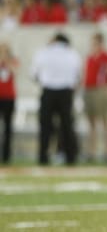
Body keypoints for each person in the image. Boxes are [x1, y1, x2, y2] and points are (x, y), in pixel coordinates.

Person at [31, 32, 83, 165]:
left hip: (48, 91)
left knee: (45, 126)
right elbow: (78, 75)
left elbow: (34, 74)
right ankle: (70, 157)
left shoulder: (43, 52)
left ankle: (43, 156)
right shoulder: (72, 54)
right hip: (66, 92)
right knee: (67, 125)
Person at [82, 32, 107, 163]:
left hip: (101, 89)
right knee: (92, 123)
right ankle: (92, 151)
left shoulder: (105, 56)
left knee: (105, 121)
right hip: (89, 89)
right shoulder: (90, 57)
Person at [0, 41, 18, 164]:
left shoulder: (13, 61)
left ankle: (6, 156)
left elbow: (15, 72)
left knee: (8, 127)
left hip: (9, 98)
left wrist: (7, 62)